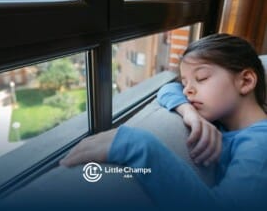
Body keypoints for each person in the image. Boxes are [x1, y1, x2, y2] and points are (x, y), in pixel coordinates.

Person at [60, 33, 267, 210]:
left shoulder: (260, 145)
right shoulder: (230, 123)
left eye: (202, 78)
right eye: (185, 82)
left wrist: (141, 147)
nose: (187, 90)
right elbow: (169, 88)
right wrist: (187, 110)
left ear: (246, 81)